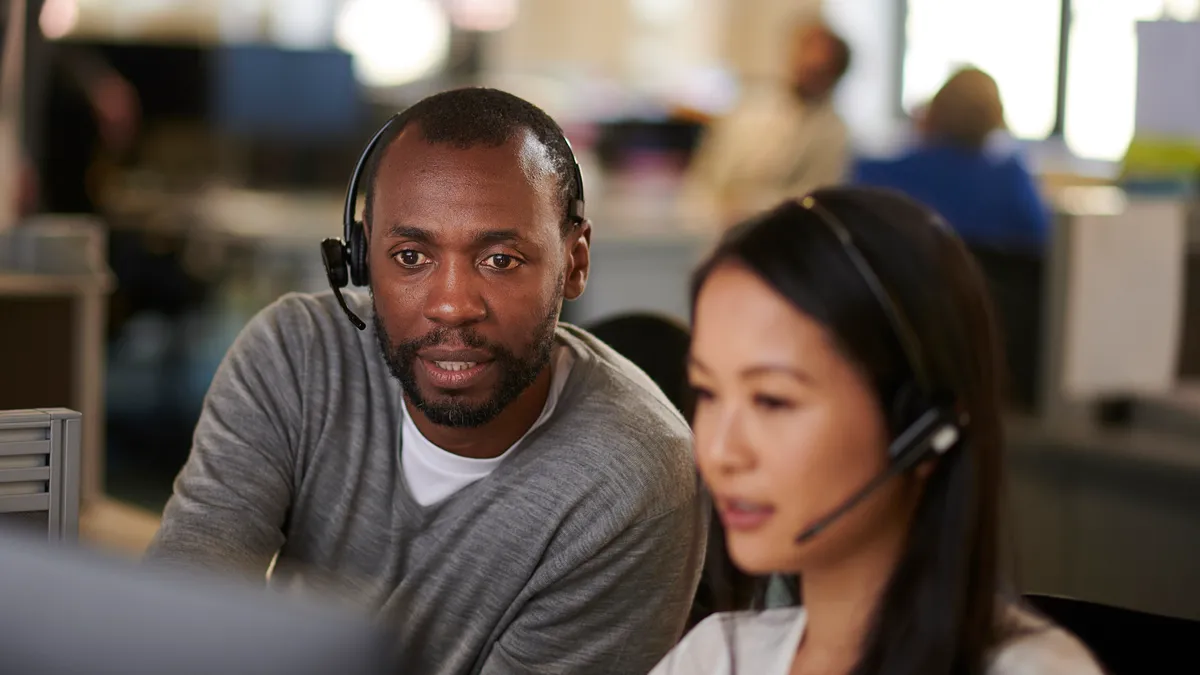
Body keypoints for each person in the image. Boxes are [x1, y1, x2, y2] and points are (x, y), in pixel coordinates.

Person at [145, 87, 707, 674]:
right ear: (361, 258)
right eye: (411, 255)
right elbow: (178, 614)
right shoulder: (297, 356)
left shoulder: (631, 481)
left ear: (575, 262)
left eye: (500, 260)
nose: (452, 306)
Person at [651, 189, 1104, 674]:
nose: (719, 453)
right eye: (707, 392)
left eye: (772, 400)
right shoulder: (716, 657)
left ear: (923, 421)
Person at [853, 68, 1050, 250]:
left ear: (933, 112)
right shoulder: (1010, 182)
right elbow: (1042, 244)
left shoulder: (877, 177)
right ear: (995, 119)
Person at [681, 19, 852, 226]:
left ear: (833, 76)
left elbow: (814, 200)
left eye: (818, 70)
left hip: (778, 231)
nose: (806, 73)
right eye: (803, 63)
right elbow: (706, 176)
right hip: (714, 222)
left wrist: (749, 207)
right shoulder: (749, 109)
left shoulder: (833, 132)